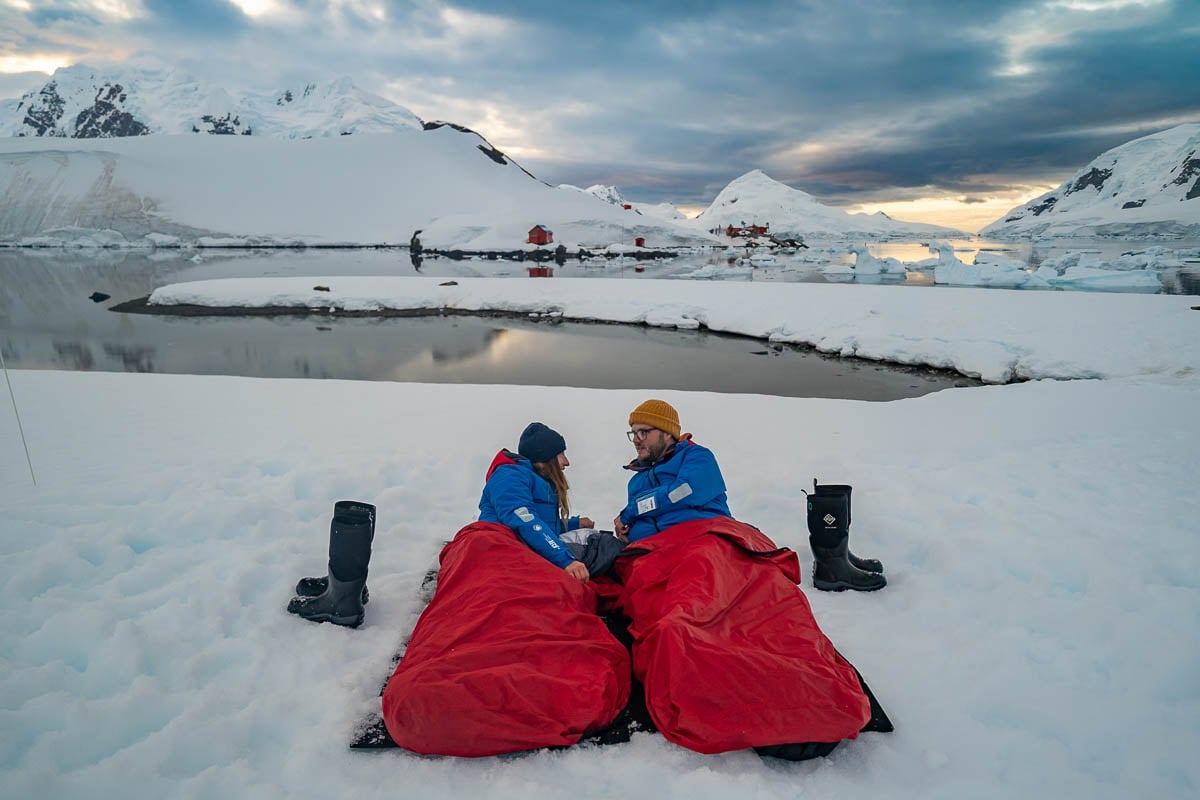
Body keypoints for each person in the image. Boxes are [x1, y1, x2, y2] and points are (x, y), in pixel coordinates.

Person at [613, 399, 884, 591]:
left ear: (668, 433)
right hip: (658, 554)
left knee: (705, 586)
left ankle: (833, 562)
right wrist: (630, 532)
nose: (636, 439)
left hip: (704, 539)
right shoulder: (636, 481)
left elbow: (683, 493)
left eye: (643, 432)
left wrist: (631, 511)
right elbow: (648, 517)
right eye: (633, 433)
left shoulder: (697, 457)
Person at [479, 422, 622, 582]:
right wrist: (566, 561)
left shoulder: (537, 480)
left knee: (602, 543)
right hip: (508, 550)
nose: (566, 462)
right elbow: (524, 521)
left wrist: (574, 524)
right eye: (560, 454)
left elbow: (540, 525)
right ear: (545, 456)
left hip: (529, 547)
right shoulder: (509, 476)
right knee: (606, 548)